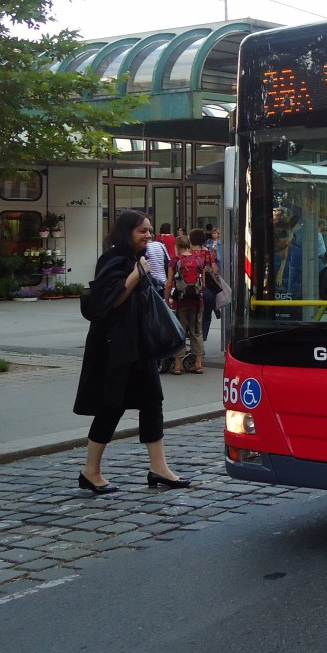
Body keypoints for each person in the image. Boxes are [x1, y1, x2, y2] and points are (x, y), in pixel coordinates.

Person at [74, 210, 190, 492]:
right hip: (114, 347)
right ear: (127, 233)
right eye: (142, 231)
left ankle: (159, 468)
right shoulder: (112, 259)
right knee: (111, 406)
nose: (148, 235)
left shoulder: (137, 259)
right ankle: (90, 471)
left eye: (150, 230)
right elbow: (110, 301)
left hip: (139, 346)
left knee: (152, 402)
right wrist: (137, 275)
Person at [167, 233, 206, 374]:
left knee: (180, 331)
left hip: (180, 302)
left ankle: (178, 366)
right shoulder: (199, 260)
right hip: (197, 301)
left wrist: (167, 299)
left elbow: (169, 283)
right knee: (196, 331)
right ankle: (198, 364)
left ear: (177, 246)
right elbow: (203, 283)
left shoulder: (174, 261)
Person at [189, 227, 219, 342]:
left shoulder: (188, 253)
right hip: (206, 289)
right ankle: (202, 339)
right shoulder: (207, 252)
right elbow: (215, 271)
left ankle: (193, 339)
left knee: (192, 316)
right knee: (206, 315)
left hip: (191, 289)